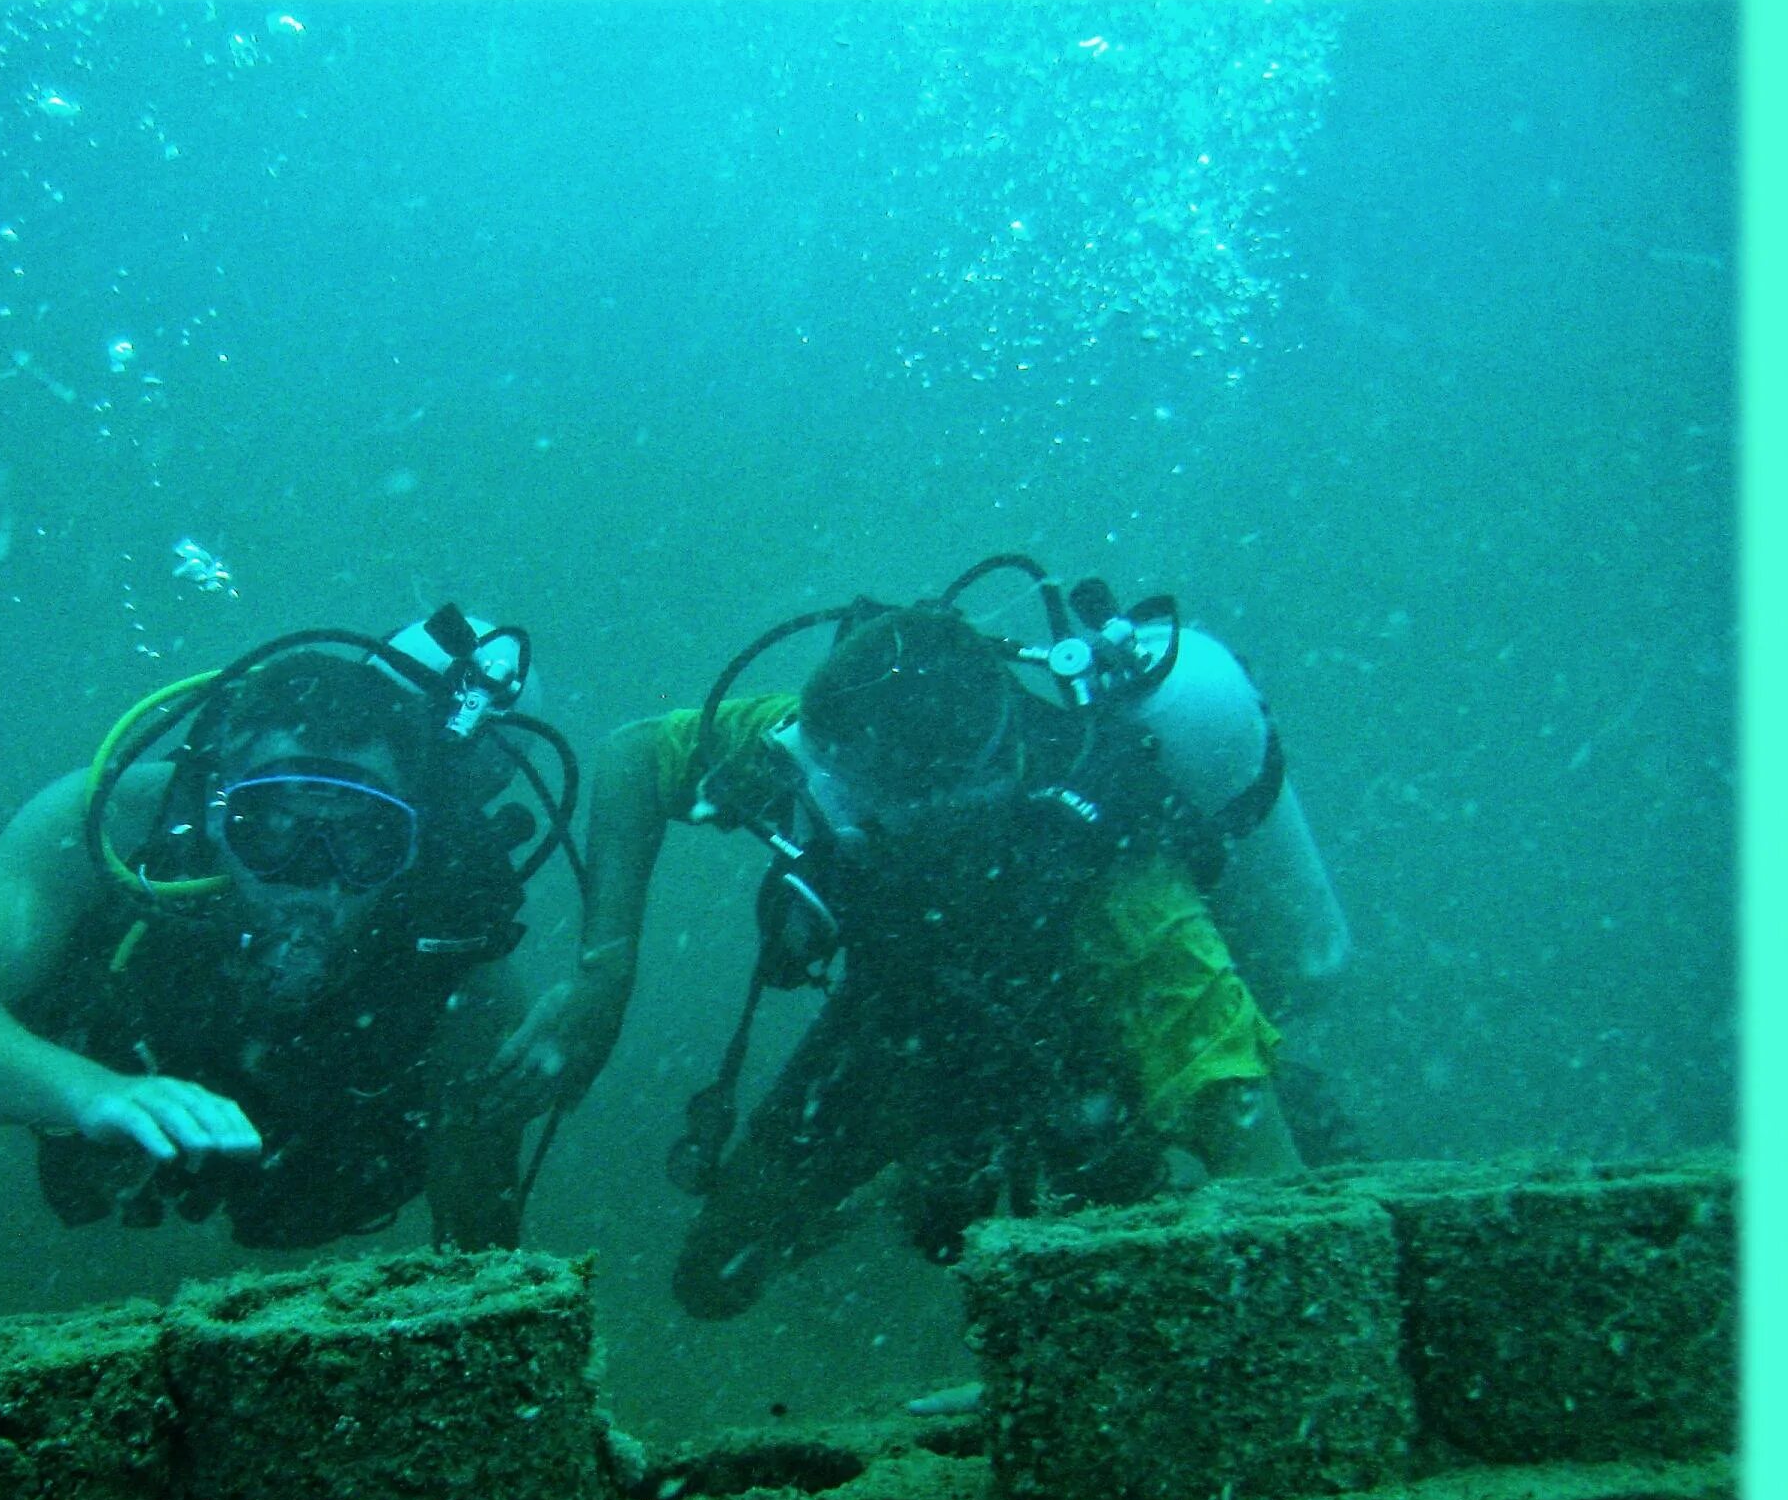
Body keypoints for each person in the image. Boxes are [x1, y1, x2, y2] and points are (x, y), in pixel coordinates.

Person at [489, 557, 1338, 1319]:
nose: (824, 812)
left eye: (860, 810)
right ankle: (917, 1170)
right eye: (822, 780)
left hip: (1092, 1059)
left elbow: (1272, 1189)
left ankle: (1071, 1192)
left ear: (968, 802)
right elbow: (636, 755)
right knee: (714, 1279)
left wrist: (1073, 1354)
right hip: (906, 1017)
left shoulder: (1128, 909)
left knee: (1090, 1266)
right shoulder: (837, 744)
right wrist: (604, 975)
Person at [0, 608, 579, 1252]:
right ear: (212, 808)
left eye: (363, 843)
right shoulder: (113, 824)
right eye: (269, 828)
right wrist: (93, 1094)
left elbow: (478, 1203)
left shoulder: (451, 938)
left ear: (414, 838)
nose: (312, 879)